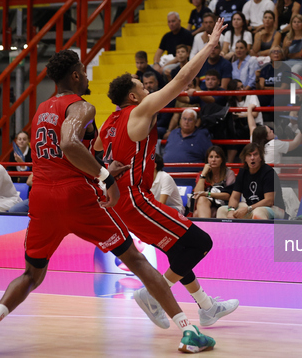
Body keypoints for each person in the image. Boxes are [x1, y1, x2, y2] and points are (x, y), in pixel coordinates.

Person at [0, 50, 216, 353]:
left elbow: (67, 149)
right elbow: (69, 143)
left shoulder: (41, 109)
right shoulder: (82, 106)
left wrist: (100, 164)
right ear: (76, 75)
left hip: (41, 196)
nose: (88, 74)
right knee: (136, 259)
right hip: (77, 196)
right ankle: (188, 330)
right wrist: (105, 176)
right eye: (84, 69)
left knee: (31, 274)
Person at [97, 19, 239, 345]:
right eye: (143, 85)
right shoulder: (140, 109)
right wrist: (212, 43)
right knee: (200, 243)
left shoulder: (111, 121)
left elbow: (100, 155)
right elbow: (183, 77)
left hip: (120, 200)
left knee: (179, 249)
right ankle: (152, 295)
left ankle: (207, 307)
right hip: (135, 198)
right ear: (133, 95)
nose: (148, 87)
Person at [217, 143, 286, 220]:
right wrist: (231, 211)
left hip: (274, 208)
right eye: (249, 155)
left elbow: (269, 201)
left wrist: (248, 209)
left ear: (260, 157)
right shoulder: (243, 172)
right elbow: (235, 197)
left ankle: (262, 232)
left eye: (255, 155)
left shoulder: (269, 172)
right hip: (251, 207)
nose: (252, 158)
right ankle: (229, 232)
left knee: (258, 212)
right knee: (222, 210)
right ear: (245, 159)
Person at [163, 109, 213, 186]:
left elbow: (211, 157)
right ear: (180, 120)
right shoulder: (173, 133)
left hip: (189, 182)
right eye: (184, 119)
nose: (186, 122)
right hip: (167, 180)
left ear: (195, 122)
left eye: (190, 120)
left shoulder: (202, 136)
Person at [248, 103, 302, 172]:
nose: (272, 130)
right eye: (270, 132)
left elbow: (252, 127)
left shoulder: (254, 141)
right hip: (272, 179)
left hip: (260, 178)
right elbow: (295, 143)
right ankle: (291, 130)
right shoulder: (275, 144)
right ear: (266, 138)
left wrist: (249, 110)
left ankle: (289, 130)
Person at [192, 146, 236, 218]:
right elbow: (197, 193)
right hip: (207, 204)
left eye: (217, 157)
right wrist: (203, 174)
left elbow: (229, 196)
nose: (213, 160)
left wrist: (208, 194)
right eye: (211, 157)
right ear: (207, 160)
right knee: (198, 207)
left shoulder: (229, 173)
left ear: (222, 160)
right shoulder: (202, 173)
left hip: (224, 204)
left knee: (198, 214)